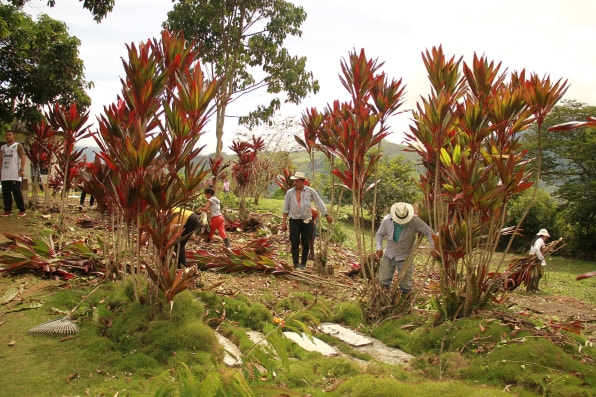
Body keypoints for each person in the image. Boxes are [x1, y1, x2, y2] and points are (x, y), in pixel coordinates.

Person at [375, 202, 435, 296]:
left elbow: (428, 231)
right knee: (383, 280)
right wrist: (379, 246)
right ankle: (383, 298)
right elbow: (379, 234)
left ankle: (405, 301)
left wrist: (433, 248)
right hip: (389, 254)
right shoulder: (387, 220)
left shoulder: (414, 220)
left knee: (405, 284)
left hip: (405, 256)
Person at [281, 171, 333, 270]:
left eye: (297, 181)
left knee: (306, 242)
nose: (295, 183)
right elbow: (285, 208)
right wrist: (284, 222)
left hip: (307, 221)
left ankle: (303, 264)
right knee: (295, 241)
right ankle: (296, 264)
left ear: (303, 182)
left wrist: (326, 214)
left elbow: (319, 202)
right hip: (294, 220)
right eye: (294, 181)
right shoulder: (289, 193)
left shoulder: (310, 191)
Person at [0, 131, 27, 217]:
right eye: (6, 135)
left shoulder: (17, 146)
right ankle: (8, 210)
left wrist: (22, 169)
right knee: (6, 193)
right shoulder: (3, 147)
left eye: (9, 135)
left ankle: (22, 210)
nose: (8, 136)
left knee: (16, 193)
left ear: (13, 136)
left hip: (15, 174)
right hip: (5, 174)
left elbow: (23, 157)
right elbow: (1, 159)